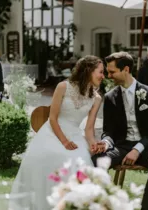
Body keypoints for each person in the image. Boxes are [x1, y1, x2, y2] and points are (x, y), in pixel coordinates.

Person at [12, 55, 104, 209]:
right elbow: (52, 118)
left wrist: (93, 144)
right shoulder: (63, 86)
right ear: (88, 71)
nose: (103, 76)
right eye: (100, 72)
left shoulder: (96, 98)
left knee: (79, 160)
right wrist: (64, 142)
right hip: (52, 132)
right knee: (51, 156)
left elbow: (89, 129)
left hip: (75, 134)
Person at [92, 52, 148, 210]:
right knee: (96, 162)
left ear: (126, 69)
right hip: (122, 146)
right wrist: (105, 143)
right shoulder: (110, 97)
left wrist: (138, 149)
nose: (109, 75)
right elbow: (108, 131)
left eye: (112, 71)